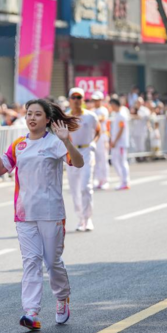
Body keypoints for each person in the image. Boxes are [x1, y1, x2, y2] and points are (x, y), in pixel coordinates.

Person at [0, 98, 83, 331]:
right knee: (30, 262)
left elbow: (78, 163)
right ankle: (31, 312)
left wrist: (67, 141)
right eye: (29, 113)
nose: (31, 118)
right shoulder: (18, 144)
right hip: (24, 213)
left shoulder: (55, 143)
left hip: (51, 213)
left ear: (48, 119)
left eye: (37, 114)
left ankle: (61, 298)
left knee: (52, 262)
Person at [67, 88, 100, 232]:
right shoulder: (65, 117)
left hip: (87, 151)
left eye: (79, 97)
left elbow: (98, 130)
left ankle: (88, 218)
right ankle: (80, 219)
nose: (76, 100)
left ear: (83, 99)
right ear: (69, 100)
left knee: (86, 187)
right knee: (74, 189)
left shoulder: (90, 116)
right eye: (73, 97)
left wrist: (94, 142)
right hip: (72, 153)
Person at [109, 98, 130, 190]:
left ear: (114, 104)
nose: (111, 107)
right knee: (114, 161)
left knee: (122, 162)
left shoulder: (121, 115)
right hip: (116, 143)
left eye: (111, 105)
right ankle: (122, 180)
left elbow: (121, 129)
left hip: (120, 143)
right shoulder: (117, 114)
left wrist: (115, 141)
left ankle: (125, 181)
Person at [91, 92, 110, 189]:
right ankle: (99, 180)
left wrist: (92, 118)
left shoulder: (103, 110)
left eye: (97, 100)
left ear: (101, 100)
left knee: (103, 159)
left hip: (102, 137)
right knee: (96, 160)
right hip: (94, 137)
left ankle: (105, 180)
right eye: (94, 100)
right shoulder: (93, 110)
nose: (95, 102)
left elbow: (101, 119)